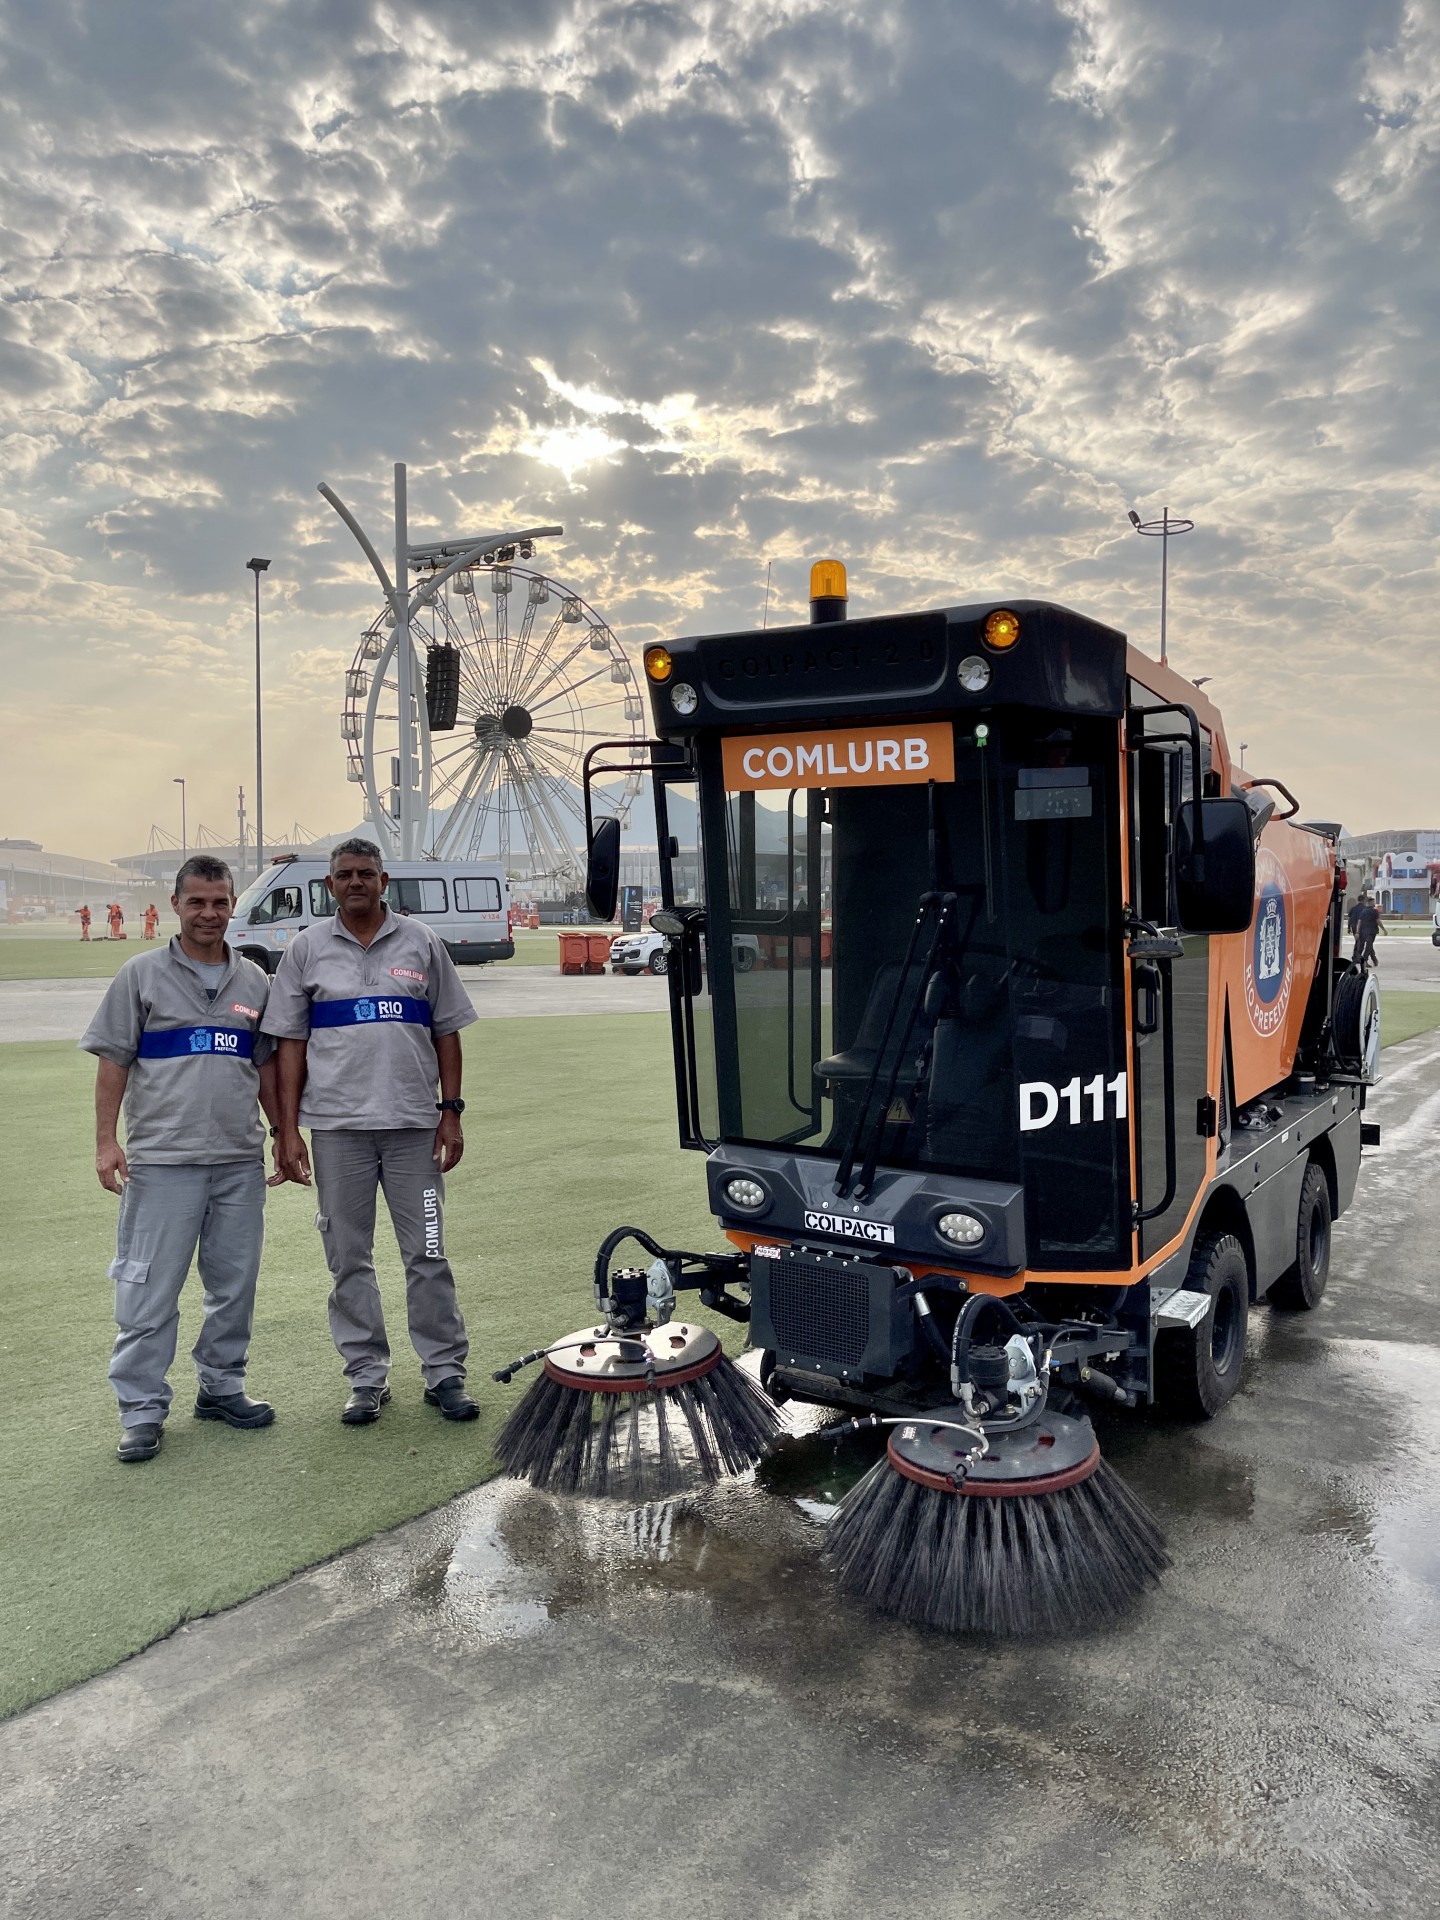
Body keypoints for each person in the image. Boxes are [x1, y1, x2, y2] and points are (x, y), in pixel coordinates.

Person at [264, 838, 480, 1426]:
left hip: (414, 1126)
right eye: (344, 875)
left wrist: (451, 1110)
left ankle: (444, 1373)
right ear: (329, 885)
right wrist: (287, 1131)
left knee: (428, 1253)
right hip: (337, 1130)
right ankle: (366, 1378)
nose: (355, 882)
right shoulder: (306, 950)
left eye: (366, 873)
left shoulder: (422, 942)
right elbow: (289, 1045)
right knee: (348, 1260)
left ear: (384, 881)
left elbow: (448, 1031)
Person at [80, 856, 281, 1464]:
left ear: (231, 906)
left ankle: (221, 1387)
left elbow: (266, 1065)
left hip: (238, 1162)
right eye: (197, 903)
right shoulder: (139, 975)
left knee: (234, 1284)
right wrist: (105, 1141)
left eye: (220, 902)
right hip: (163, 1163)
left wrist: (281, 1132)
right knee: (149, 1289)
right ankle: (141, 1410)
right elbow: (113, 1060)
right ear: (176, 906)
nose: (210, 914)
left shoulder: (254, 982)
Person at [1352, 893, 1386, 969]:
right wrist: (1383, 929)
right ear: (1371, 903)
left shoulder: (1363, 911)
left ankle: (1358, 959)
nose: (1374, 903)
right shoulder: (1375, 911)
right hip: (1371, 931)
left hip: (1363, 931)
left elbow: (1359, 922)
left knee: (1362, 946)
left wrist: (1357, 931)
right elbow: (1378, 921)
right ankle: (1364, 960)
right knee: (1369, 946)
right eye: (1373, 902)